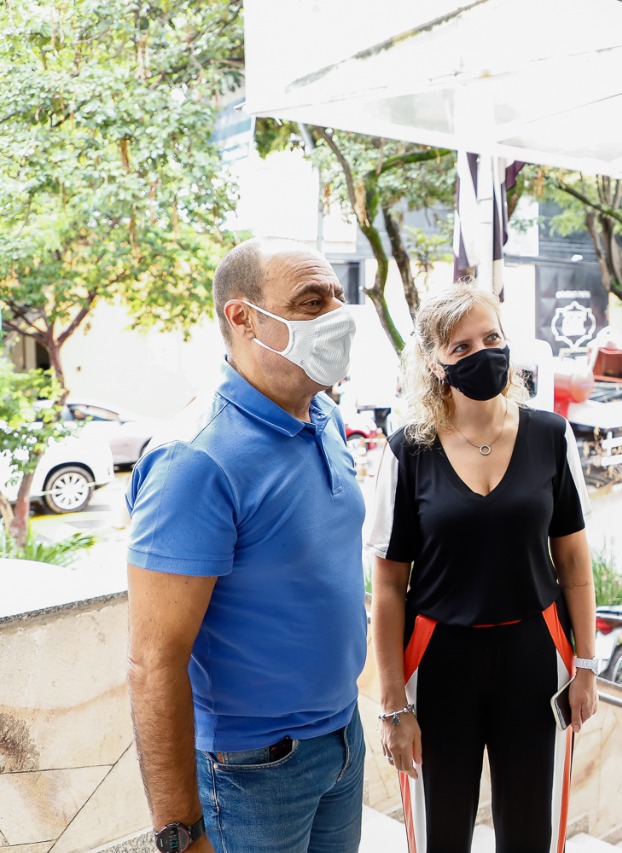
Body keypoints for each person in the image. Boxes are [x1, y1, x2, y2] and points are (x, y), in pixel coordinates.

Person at [126, 238, 368, 853]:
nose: (337, 315)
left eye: (337, 296)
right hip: (252, 770)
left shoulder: (324, 417)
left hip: (343, 738)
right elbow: (154, 663)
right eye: (311, 302)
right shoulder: (193, 462)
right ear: (243, 318)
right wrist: (182, 834)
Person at [366, 283, 598, 853]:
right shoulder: (407, 452)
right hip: (438, 662)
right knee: (442, 835)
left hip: (534, 656)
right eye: (461, 346)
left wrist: (587, 665)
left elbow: (573, 561)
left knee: (531, 833)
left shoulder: (551, 436)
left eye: (492, 337)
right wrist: (393, 706)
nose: (483, 353)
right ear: (434, 363)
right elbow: (389, 587)